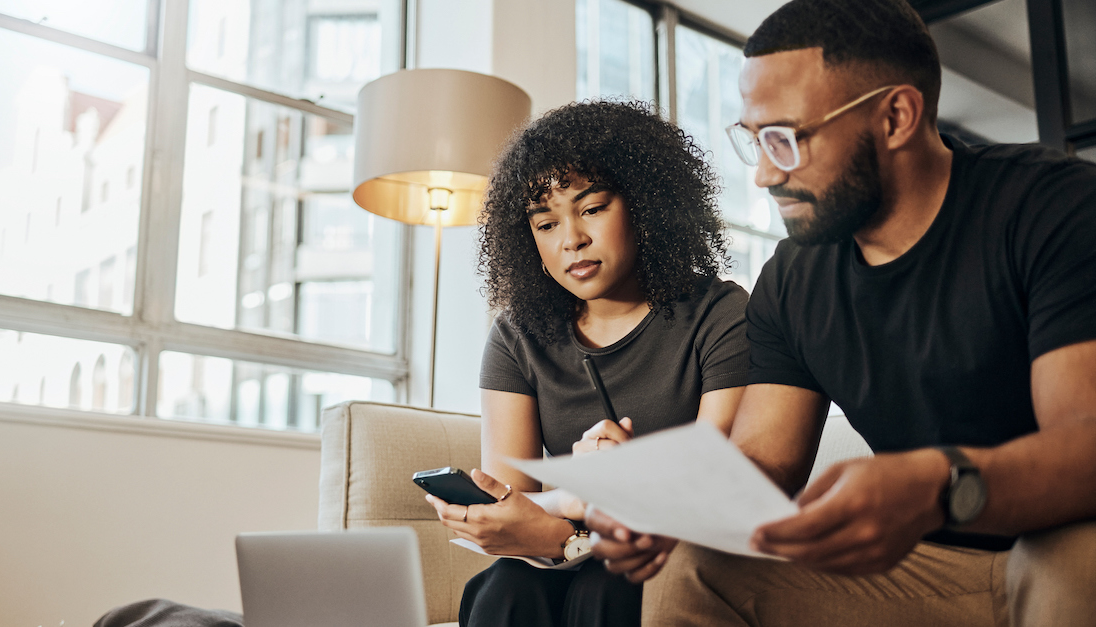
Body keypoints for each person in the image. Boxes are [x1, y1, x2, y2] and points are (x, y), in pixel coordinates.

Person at [586, 1, 1096, 626]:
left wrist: (937, 487)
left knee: (1080, 557)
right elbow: (765, 465)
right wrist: (671, 508)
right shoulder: (793, 278)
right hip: (927, 571)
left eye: (785, 139)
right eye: (753, 141)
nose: (765, 175)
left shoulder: (1052, 208)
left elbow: (1086, 443)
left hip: (1059, 540)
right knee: (696, 562)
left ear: (896, 117)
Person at [423, 100, 750, 627]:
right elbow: (515, 507)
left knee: (610, 586)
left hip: (683, 549)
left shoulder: (721, 315)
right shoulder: (517, 337)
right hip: (559, 557)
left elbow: (716, 486)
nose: (571, 239)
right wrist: (568, 514)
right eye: (545, 223)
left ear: (646, 203)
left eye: (592, 209)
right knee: (506, 586)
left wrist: (571, 508)